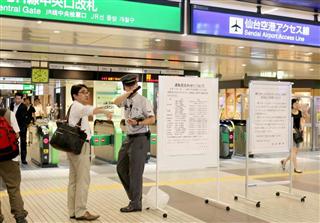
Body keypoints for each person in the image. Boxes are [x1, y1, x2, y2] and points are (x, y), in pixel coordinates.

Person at [67, 84, 112, 221]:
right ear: (75, 95)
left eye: (87, 92)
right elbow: (90, 109)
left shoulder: (75, 107)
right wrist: (105, 111)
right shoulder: (77, 106)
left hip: (73, 147)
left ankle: (73, 211)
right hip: (80, 147)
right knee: (83, 179)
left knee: (74, 180)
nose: (87, 94)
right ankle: (81, 211)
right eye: (83, 92)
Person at [113, 74, 155, 213]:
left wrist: (138, 122)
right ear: (124, 86)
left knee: (135, 172)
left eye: (133, 85)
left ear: (136, 84)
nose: (131, 87)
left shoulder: (143, 100)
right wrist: (128, 92)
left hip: (140, 138)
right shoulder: (125, 99)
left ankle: (135, 203)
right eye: (128, 85)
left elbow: (152, 119)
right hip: (129, 137)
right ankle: (135, 197)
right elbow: (115, 101)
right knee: (121, 168)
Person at [0, 108, 28, 223]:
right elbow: (16, 134)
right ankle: (19, 216)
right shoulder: (8, 113)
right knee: (13, 187)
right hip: (9, 157)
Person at [281, 98, 304, 173]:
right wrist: (291, 129)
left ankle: (284, 161)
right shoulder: (288, 113)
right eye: (295, 103)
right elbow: (285, 122)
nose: (297, 104)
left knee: (295, 152)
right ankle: (296, 168)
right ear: (292, 105)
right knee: (293, 151)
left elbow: (300, 122)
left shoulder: (300, 112)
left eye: (298, 103)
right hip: (290, 133)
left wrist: (301, 127)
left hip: (297, 133)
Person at [10, 93, 28, 165]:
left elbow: (22, 119)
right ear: (14, 98)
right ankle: (14, 158)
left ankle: (23, 159)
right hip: (13, 128)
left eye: (19, 99)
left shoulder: (23, 107)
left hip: (21, 128)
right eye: (16, 98)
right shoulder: (12, 105)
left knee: (23, 143)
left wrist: (18, 129)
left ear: (21, 99)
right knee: (14, 143)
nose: (17, 100)